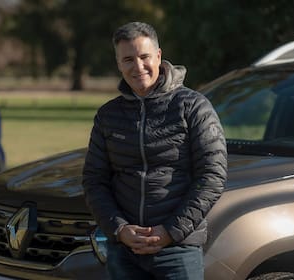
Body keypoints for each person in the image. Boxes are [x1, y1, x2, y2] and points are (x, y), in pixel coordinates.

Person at [82, 21, 227, 280]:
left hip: (177, 250)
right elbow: (94, 180)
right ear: (118, 63)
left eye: (144, 56)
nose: (138, 67)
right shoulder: (107, 115)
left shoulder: (194, 107)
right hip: (124, 251)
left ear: (158, 56)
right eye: (128, 59)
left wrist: (170, 231)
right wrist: (120, 229)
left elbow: (212, 176)